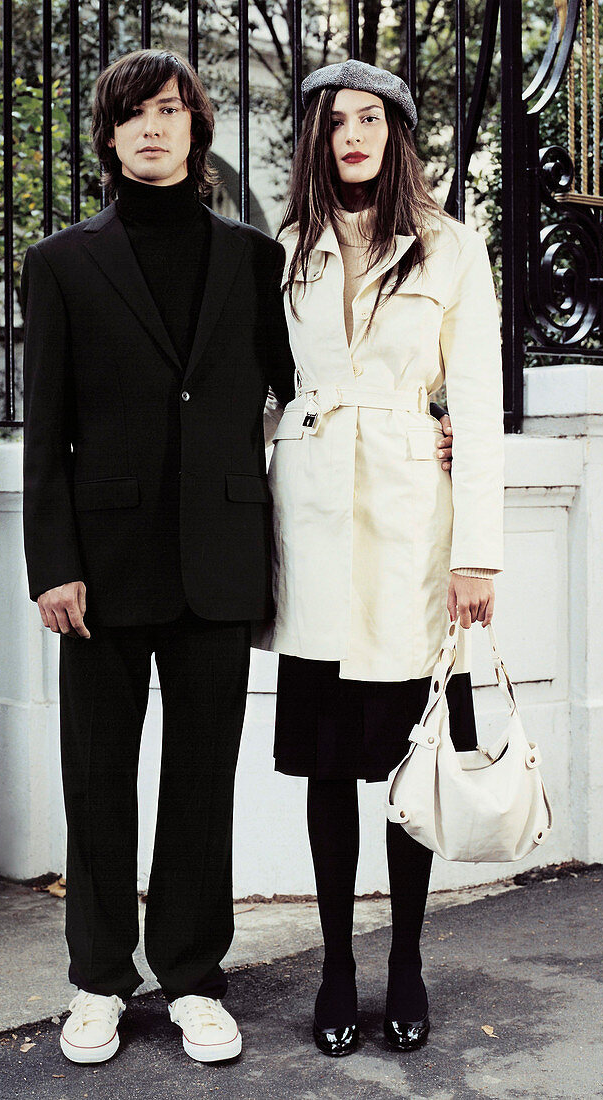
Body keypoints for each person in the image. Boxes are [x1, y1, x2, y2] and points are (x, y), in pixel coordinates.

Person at [19, 48, 299, 1065]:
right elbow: (41, 428)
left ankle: (192, 975)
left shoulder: (251, 260)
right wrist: (51, 562)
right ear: (108, 134)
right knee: (97, 778)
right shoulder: (60, 264)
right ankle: (97, 977)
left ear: (197, 129)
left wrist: (424, 423)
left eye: (170, 110)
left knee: (198, 780)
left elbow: (302, 393)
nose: (152, 127)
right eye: (134, 113)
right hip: (100, 565)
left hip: (218, 558)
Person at [257, 59, 504, 1056]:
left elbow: (479, 405)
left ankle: (404, 958)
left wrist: (479, 551)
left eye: (370, 118)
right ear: (315, 140)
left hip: (412, 526)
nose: (351, 135)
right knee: (326, 768)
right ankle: (335, 966)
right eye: (333, 122)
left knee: (405, 764)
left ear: (397, 134)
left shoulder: (450, 247)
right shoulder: (284, 249)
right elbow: (261, 385)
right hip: (311, 522)